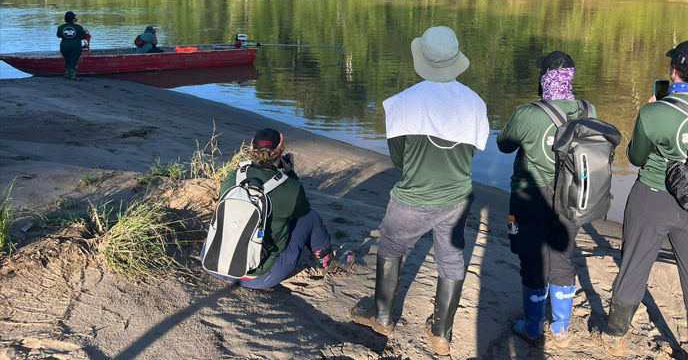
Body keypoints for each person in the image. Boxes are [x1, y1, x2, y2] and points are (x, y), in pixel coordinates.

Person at [350, 26, 490, 356]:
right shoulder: (475, 103)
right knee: (452, 257)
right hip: (457, 198)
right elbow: (472, 153)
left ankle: (382, 317)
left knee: (391, 245)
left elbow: (400, 160)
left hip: (412, 197)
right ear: (455, 59)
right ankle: (442, 333)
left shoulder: (402, 103)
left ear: (422, 58)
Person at [595, 41, 688, 360]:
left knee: (634, 266)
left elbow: (636, 157)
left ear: (674, 72)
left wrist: (651, 108)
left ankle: (615, 337)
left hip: (655, 198)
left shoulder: (655, 110)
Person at [496, 51, 597, 347]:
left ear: (543, 79)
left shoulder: (528, 112)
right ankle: (561, 329)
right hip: (574, 194)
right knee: (563, 257)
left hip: (531, 194)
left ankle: (532, 328)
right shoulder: (588, 109)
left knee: (532, 260)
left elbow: (503, 145)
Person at [203, 128, 354, 289]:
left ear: (251, 148)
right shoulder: (291, 187)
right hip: (260, 278)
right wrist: (291, 174)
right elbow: (302, 211)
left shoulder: (234, 177)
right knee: (311, 217)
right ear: (280, 152)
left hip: (214, 263)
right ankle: (328, 264)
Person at [56, 11, 90, 79]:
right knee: (73, 59)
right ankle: (73, 74)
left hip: (64, 45)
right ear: (73, 19)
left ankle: (67, 73)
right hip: (76, 46)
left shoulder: (61, 27)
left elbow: (58, 35)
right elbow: (84, 36)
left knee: (67, 59)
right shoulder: (79, 27)